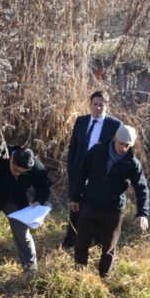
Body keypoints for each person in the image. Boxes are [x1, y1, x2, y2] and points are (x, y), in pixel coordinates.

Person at [69, 125, 149, 278]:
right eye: (121, 143)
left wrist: (142, 213)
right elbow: (82, 173)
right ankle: (79, 274)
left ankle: (104, 277)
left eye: (128, 145)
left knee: (109, 247)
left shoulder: (132, 163)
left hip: (113, 209)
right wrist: (75, 197)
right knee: (81, 243)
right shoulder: (98, 150)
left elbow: (142, 188)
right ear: (115, 139)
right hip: (90, 203)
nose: (124, 148)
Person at [0, 145, 51, 282]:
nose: (17, 174)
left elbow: (44, 186)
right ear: (11, 160)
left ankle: (31, 272)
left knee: (23, 234)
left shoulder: (36, 167)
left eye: (22, 173)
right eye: (16, 170)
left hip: (16, 201)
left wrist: (38, 200)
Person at [62, 91, 121, 248]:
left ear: (107, 105)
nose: (98, 108)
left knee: (95, 208)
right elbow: (73, 146)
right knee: (75, 206)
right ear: (90, 104)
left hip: (99, 175)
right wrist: (71, 166)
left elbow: (116, 151)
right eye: (95, 104)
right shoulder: (81, 121)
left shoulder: (114, 125)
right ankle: (70, 240)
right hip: (79, 171)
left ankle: (96, 242)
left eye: (101, 104)